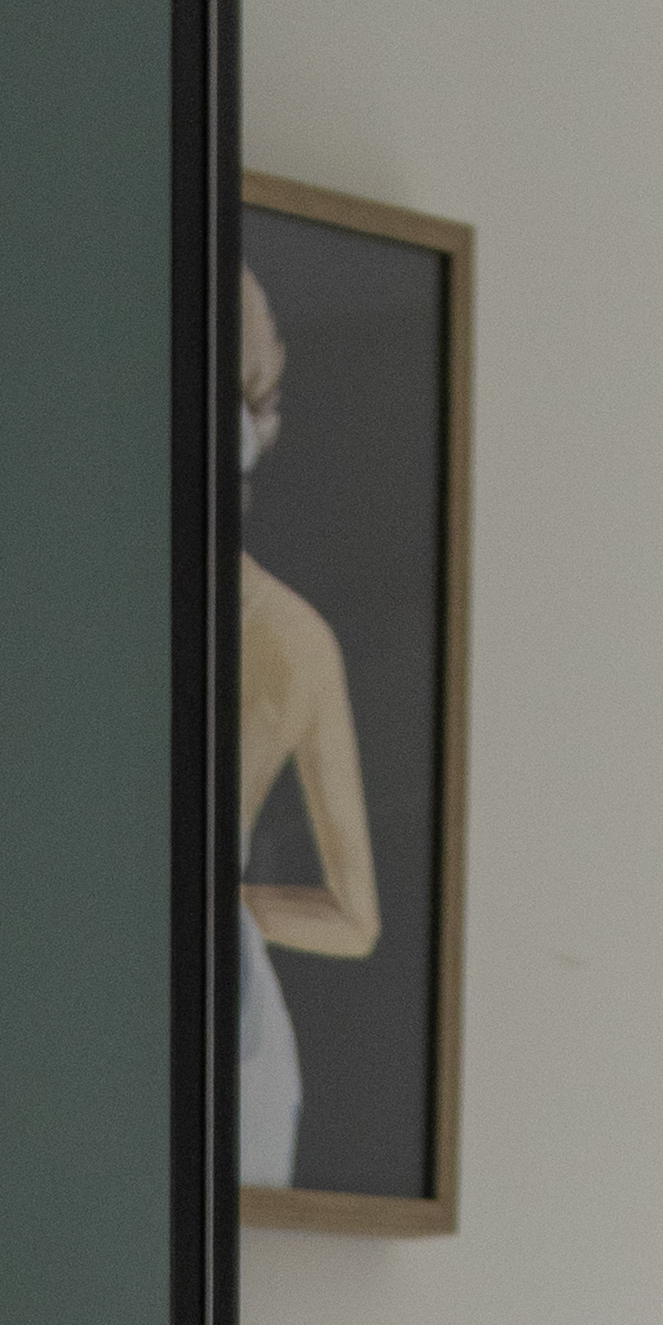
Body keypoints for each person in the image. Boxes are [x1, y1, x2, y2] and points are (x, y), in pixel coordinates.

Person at [233, 264, 378, 1187]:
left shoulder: (292, 638)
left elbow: (358, 920)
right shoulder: (298, 637)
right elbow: (352, 918)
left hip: (233, 1034)